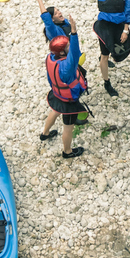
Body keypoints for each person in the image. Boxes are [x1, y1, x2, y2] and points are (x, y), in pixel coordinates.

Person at [40, 16, 90, 159]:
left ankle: (45, 134)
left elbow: (51, 79)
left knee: (55, 111)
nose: (69, 47)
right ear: (62, 52)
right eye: (66, 47)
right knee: (68, 127)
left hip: (57, 94)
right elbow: (74, 53)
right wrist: (74, 33)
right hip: (68, 101)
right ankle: (67, 151)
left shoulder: (50, 58)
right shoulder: (66, 68)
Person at [91, 0, 130, 97]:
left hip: (119, 26)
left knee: (120, 51)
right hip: (104, 27)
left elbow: (128, 11)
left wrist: (126, 30)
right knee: (104, 55)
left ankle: (108, 59)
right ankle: (106, 82)